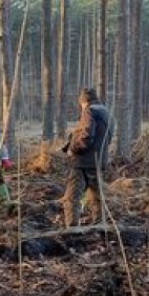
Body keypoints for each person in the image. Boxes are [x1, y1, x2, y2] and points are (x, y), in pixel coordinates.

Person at [61, 88, 113, 228]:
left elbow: (86, 136)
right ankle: (100, 225)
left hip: (82, 162)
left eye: (81, 104)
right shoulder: (106, 113)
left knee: (72, 196)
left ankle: (72, 228)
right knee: (96, 196)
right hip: (99, 161)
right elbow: (107, 139)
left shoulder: (90, 111)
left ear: (84, 101)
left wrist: (72, 149)